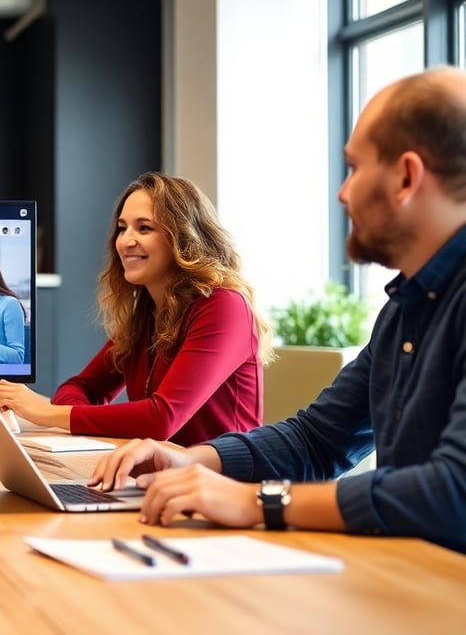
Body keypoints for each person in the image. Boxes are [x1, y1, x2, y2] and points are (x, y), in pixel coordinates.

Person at [92, 67, 466, 554]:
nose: (343, 193)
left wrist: (259, 502)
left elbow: (453, 491)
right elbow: (317, 441)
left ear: (406, 177)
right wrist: (191, 461)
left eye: (354, 168)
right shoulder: (403, 310)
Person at [0, 172, 271, 446]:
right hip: (160, 478)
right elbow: (80, 388)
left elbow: (161, 419)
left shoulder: (224, 306)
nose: (125, 241)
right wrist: (72, 417)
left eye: (144, 227)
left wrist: (47, 412)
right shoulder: (146, 314)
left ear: (184, 237)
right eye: (122, 228)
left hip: (223, 485)